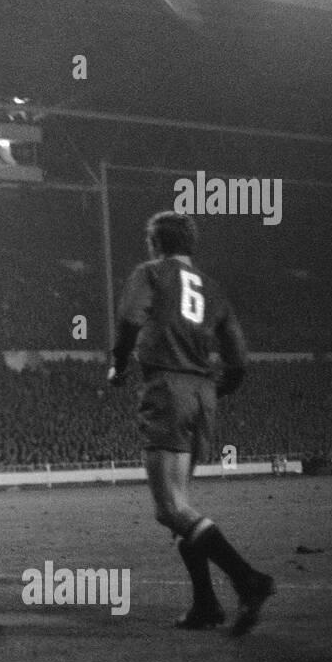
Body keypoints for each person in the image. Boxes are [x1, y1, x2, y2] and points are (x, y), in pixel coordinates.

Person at [108, 211, 273, 636]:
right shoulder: (214, 289)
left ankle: (247, 579)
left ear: (154, 242)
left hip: (167, 387)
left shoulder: (150, 273)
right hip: (203, 395)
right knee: (182, 508)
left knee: (171, 509)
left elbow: (129, 318)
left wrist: (118, 363)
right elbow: (238, 360)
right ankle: (205, 604)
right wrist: (214, 393)